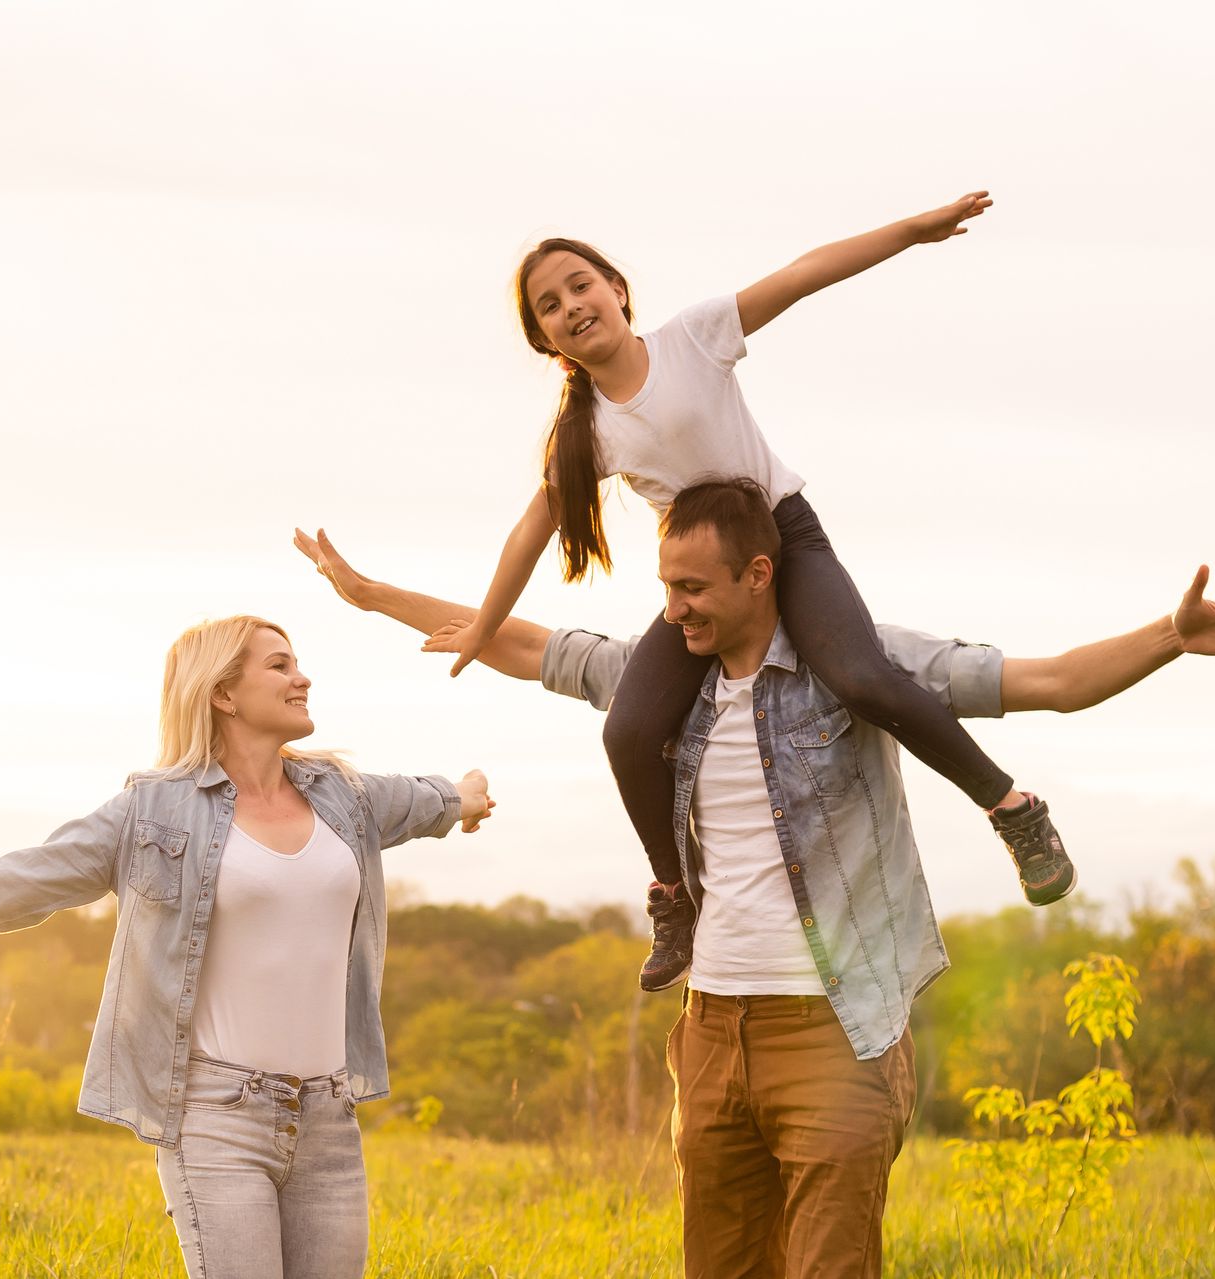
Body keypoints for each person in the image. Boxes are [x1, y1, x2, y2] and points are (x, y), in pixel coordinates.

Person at [294, 489, 1215, 1279]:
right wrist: (376, 595)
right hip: (714, 1029)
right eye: (664, 586)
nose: (674, 609)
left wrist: (1172, 636)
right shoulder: (659, 678)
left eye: (694, 588)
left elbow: (1047, 682)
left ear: (759, 574)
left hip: (836, 1027)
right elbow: (513, 639)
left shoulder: (856, 664)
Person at [419, 195, 1073, 994]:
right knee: (628, 730)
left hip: (785, 542)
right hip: (706, 587)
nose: (571, 307)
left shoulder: (694, 337)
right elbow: (531, 534)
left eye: (579, 285)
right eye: (549, 307)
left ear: (617, 289)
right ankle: (675, 896)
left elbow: (801, 277)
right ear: (544, 338)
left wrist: (910, 232)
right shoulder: (583, 432)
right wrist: (482, 628)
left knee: (863, 677)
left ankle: (1013, 808)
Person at [0, 615, 494, 1279]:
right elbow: (31, 876)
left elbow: (431, 799)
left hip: (328, 1119)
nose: (302, 677)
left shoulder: (345, 796)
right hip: (217, 1118)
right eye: (280, 665)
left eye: (297, 662)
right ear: (223, 693)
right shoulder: (154, 810)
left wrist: (468, 796)